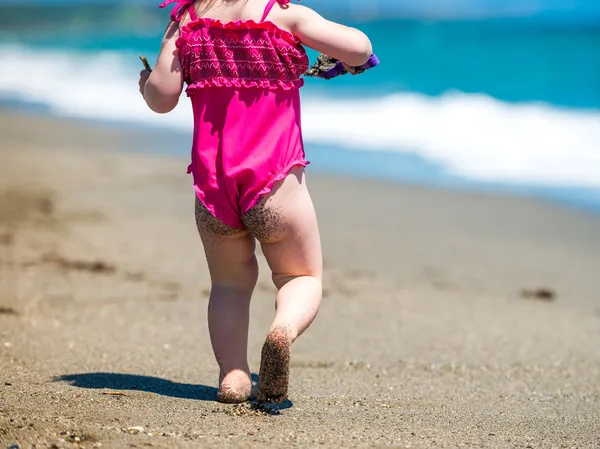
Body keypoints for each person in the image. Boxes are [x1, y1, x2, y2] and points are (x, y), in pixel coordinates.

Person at [138, 0, 373, 404]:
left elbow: (162, 97)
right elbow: (359, 48)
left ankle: (233, 377)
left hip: (214, 188)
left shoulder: (187, 21)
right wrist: (340, 54)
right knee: (301, 277)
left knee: (228, 285)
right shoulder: (283, 15)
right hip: (274, 182)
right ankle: (282, 329)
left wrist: (145, 81)